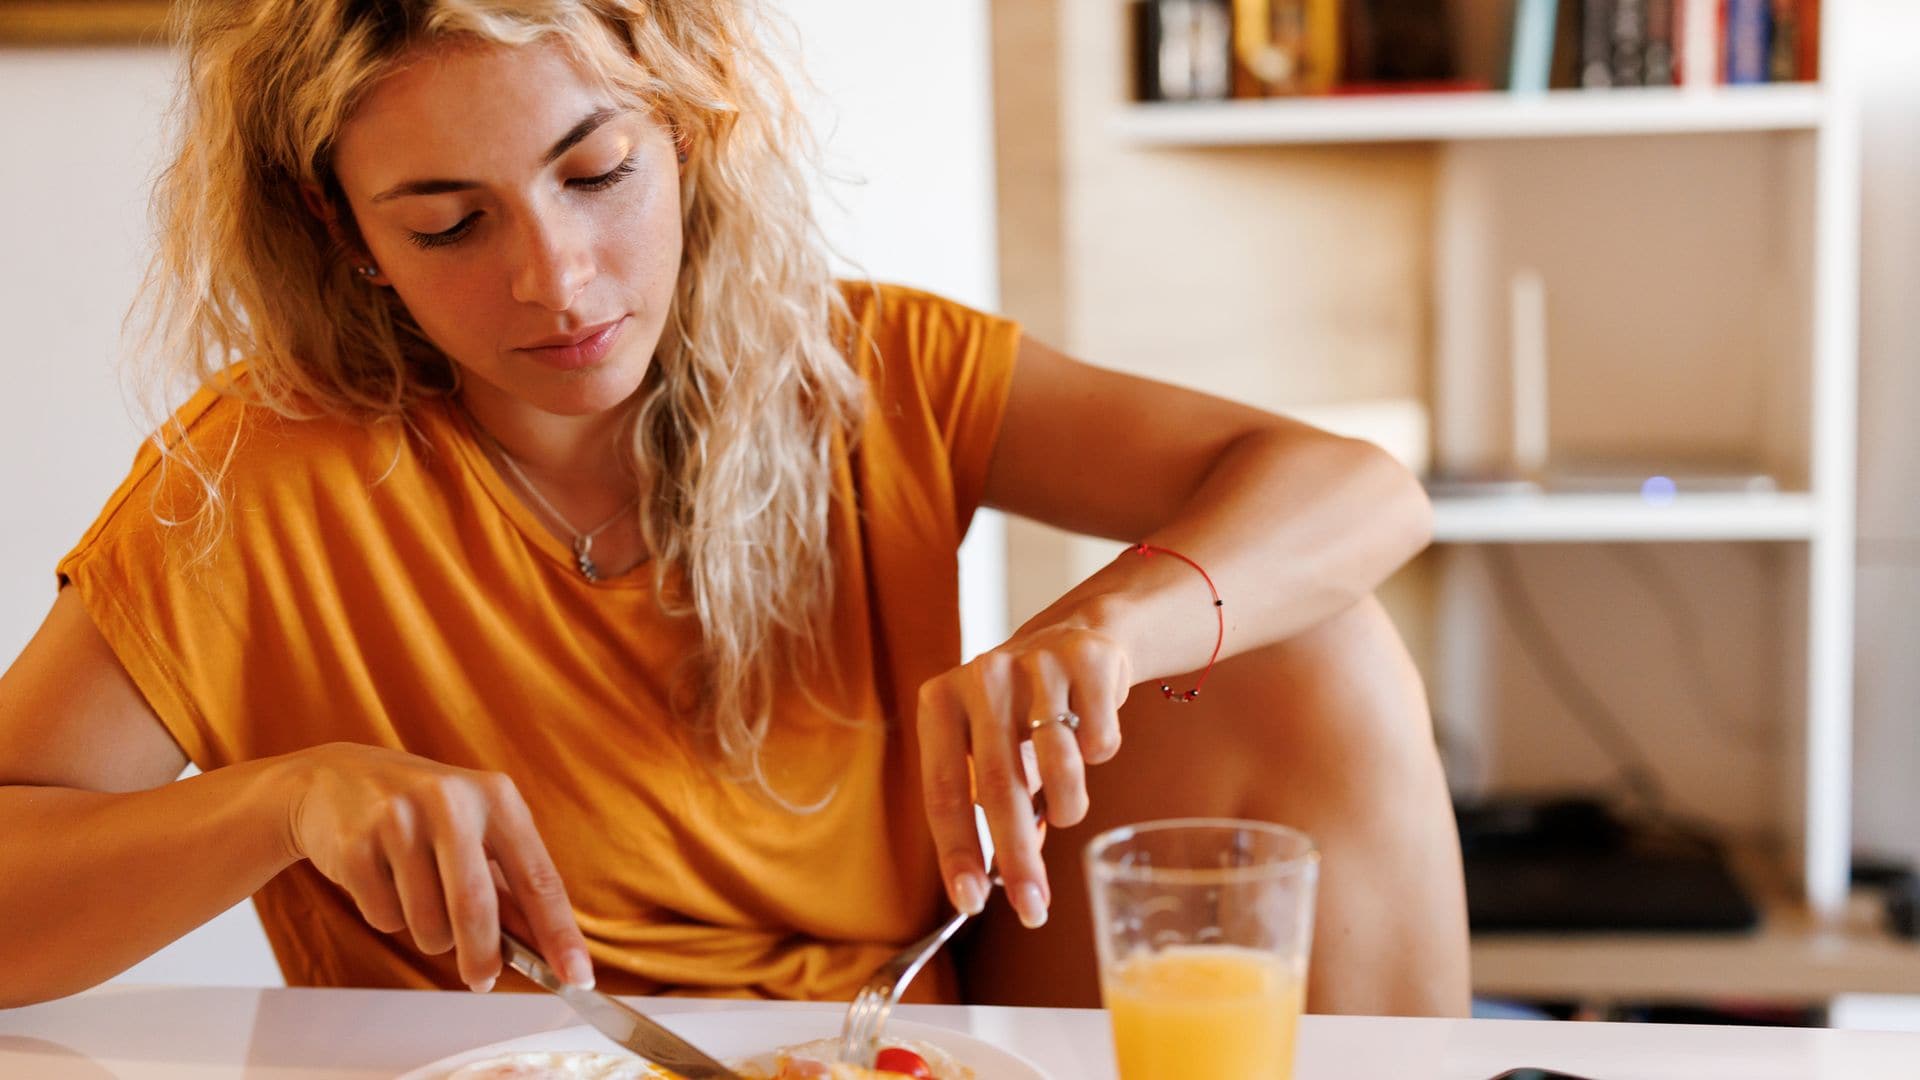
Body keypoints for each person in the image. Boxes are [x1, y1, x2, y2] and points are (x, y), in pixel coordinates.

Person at [0, 0, 1467, 1014]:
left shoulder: (868, 364)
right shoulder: (258, 472)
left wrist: (1111, 624)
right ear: (346, 231)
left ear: (688, 134)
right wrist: (276, 803)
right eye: (450, 223)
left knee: (1315, 644)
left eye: (598, 172)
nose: (558, 281)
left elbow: (1362, 492)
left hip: (900, 1035)